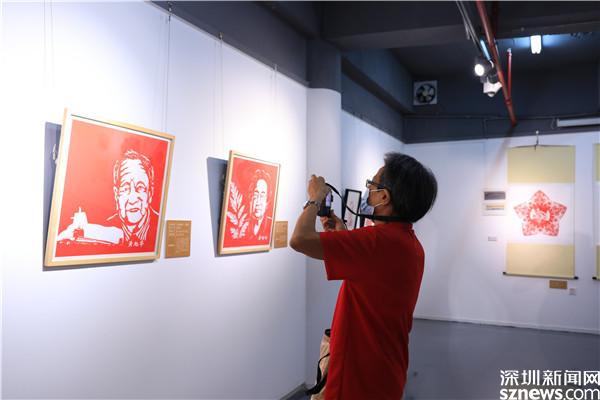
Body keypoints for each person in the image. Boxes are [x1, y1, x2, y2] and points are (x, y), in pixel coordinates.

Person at [290, 152, 437, 400]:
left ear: (384, 197)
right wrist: (344, 234)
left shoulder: (376, 242)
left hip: (356, 377)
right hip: (386, 371)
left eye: (372, 185)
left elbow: (299, 240)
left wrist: (314, 198)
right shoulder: (410, 244)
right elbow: (373, 271)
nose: (368, 190)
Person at [57, 149, 159, 248]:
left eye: (140, 188)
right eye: (125, 188)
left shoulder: (159, 226)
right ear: (116, 194)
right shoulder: (104, 230)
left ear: (150, 193)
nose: (133, 200)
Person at [246, 169, 273, 242]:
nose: (258, 201)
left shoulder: (271, 224)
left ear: (267, 201)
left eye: (262, 196)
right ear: (251, 198)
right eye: (255, 195)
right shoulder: (243, 225)